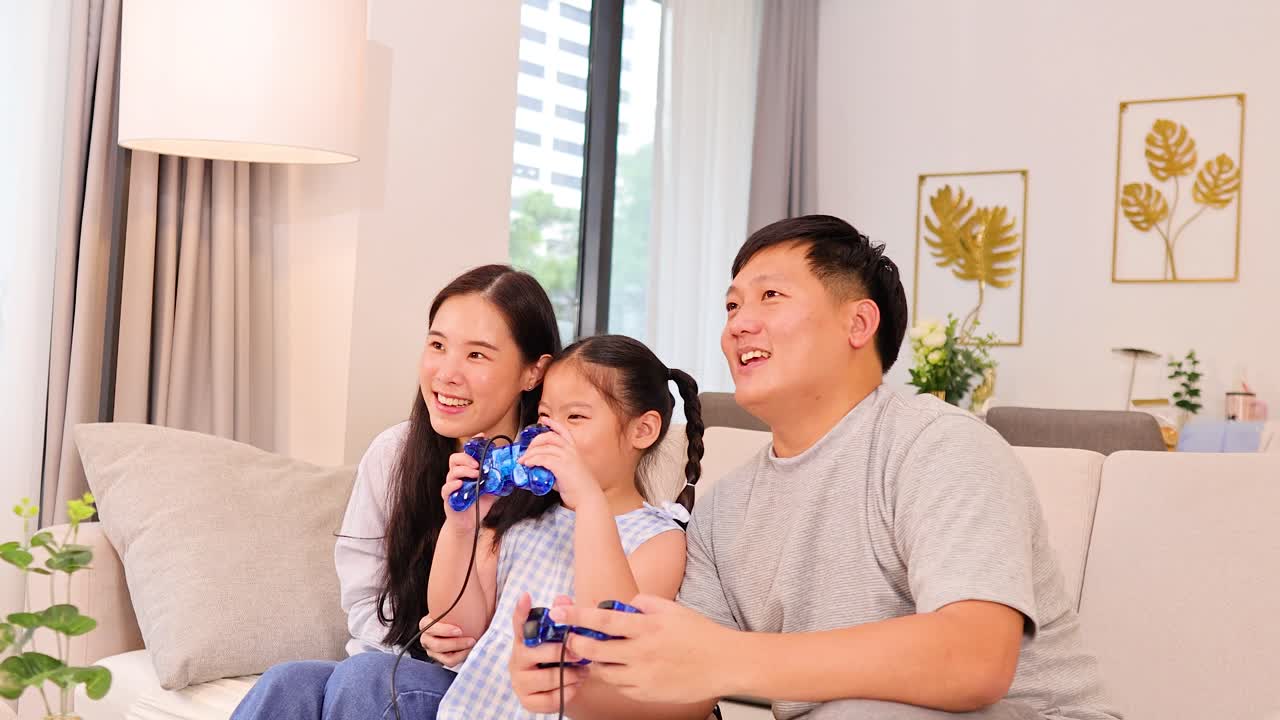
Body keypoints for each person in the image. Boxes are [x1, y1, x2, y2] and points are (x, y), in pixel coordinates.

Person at [520, 215, 1121, 720]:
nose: (738, 324)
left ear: (858, 323)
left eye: (770, 297)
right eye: (732, 304)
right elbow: (684, 690)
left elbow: (974, 656)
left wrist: (728, 656)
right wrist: (572, 688)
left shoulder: (939, 447)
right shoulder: (723, 511)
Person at [232, 264, 561, 719]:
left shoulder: (550, 473)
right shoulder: (395, 453)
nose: (446, 373)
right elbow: (365, 600)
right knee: (289, 682)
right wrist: (417, 638)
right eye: (438, 345)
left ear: (533, 372)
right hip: (405, 661)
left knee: (368, 678)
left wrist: (466, 644)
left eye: (477, 356)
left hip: (495, 690)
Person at [430, 334, 705, 719]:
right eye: (544, 417)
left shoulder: (659, 539)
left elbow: (613, 643)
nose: (549, 434)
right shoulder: (524, 518)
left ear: (642, 431)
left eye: (575, 417)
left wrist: (589, 502)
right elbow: (460, 630)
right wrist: (459, 528)